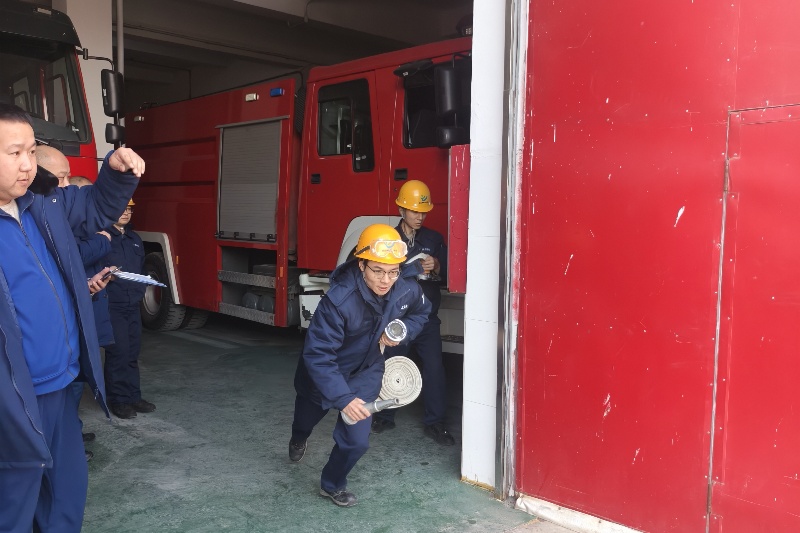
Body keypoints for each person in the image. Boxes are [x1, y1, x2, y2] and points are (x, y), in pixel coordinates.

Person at [0, 103, 144, 532]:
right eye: (14, 153)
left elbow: (95, 206)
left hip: (62, 383)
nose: (27, 165)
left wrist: (114, 172)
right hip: (14, 399)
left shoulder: (44, 205)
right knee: (15, 498)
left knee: (65, 491)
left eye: (31, 151)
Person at [289, 223, 431, 507]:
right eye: (377, 271)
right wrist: (343, 398)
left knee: (356, 441)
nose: (386, 280)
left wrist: (401, 330)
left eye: (393, 271)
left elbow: (422, 311)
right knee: (304, 422)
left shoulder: (406, 288)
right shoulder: (338, 301)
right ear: (361, 264)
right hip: (325, 377)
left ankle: (332, 485)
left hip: (366, 373)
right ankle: (298, 438)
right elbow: (318, 355)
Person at [36, 145, 116, 462]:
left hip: (67, 343)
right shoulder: (34, 226)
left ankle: (70, 441)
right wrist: (102, 241)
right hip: (46, 356)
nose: (67, 186)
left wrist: (86, 288)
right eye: (62, 178)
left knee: (70, 393)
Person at [371, 180, 455, 446]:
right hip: (397, 318)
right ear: (401, 210)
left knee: (434, 369)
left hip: (427, 318)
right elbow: (379, 275)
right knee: (390, 365)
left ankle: (435, 422)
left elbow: (452, 274)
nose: (419, 217)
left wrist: (438, 264)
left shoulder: (434, 239)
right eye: (414, 211)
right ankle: (384, 415)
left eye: (423, 212)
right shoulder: (389, 239)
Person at [103, 198, 155, 419]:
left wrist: (140, 291)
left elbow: (140, 270)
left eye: (129, 209)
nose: (126, 213)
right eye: (121, 209)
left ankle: (134, 396)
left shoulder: (135, 239)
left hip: (132, 303)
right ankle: (118, 400)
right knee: (118, 352)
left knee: (132, 352)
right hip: (113, 304)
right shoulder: (103, 238)